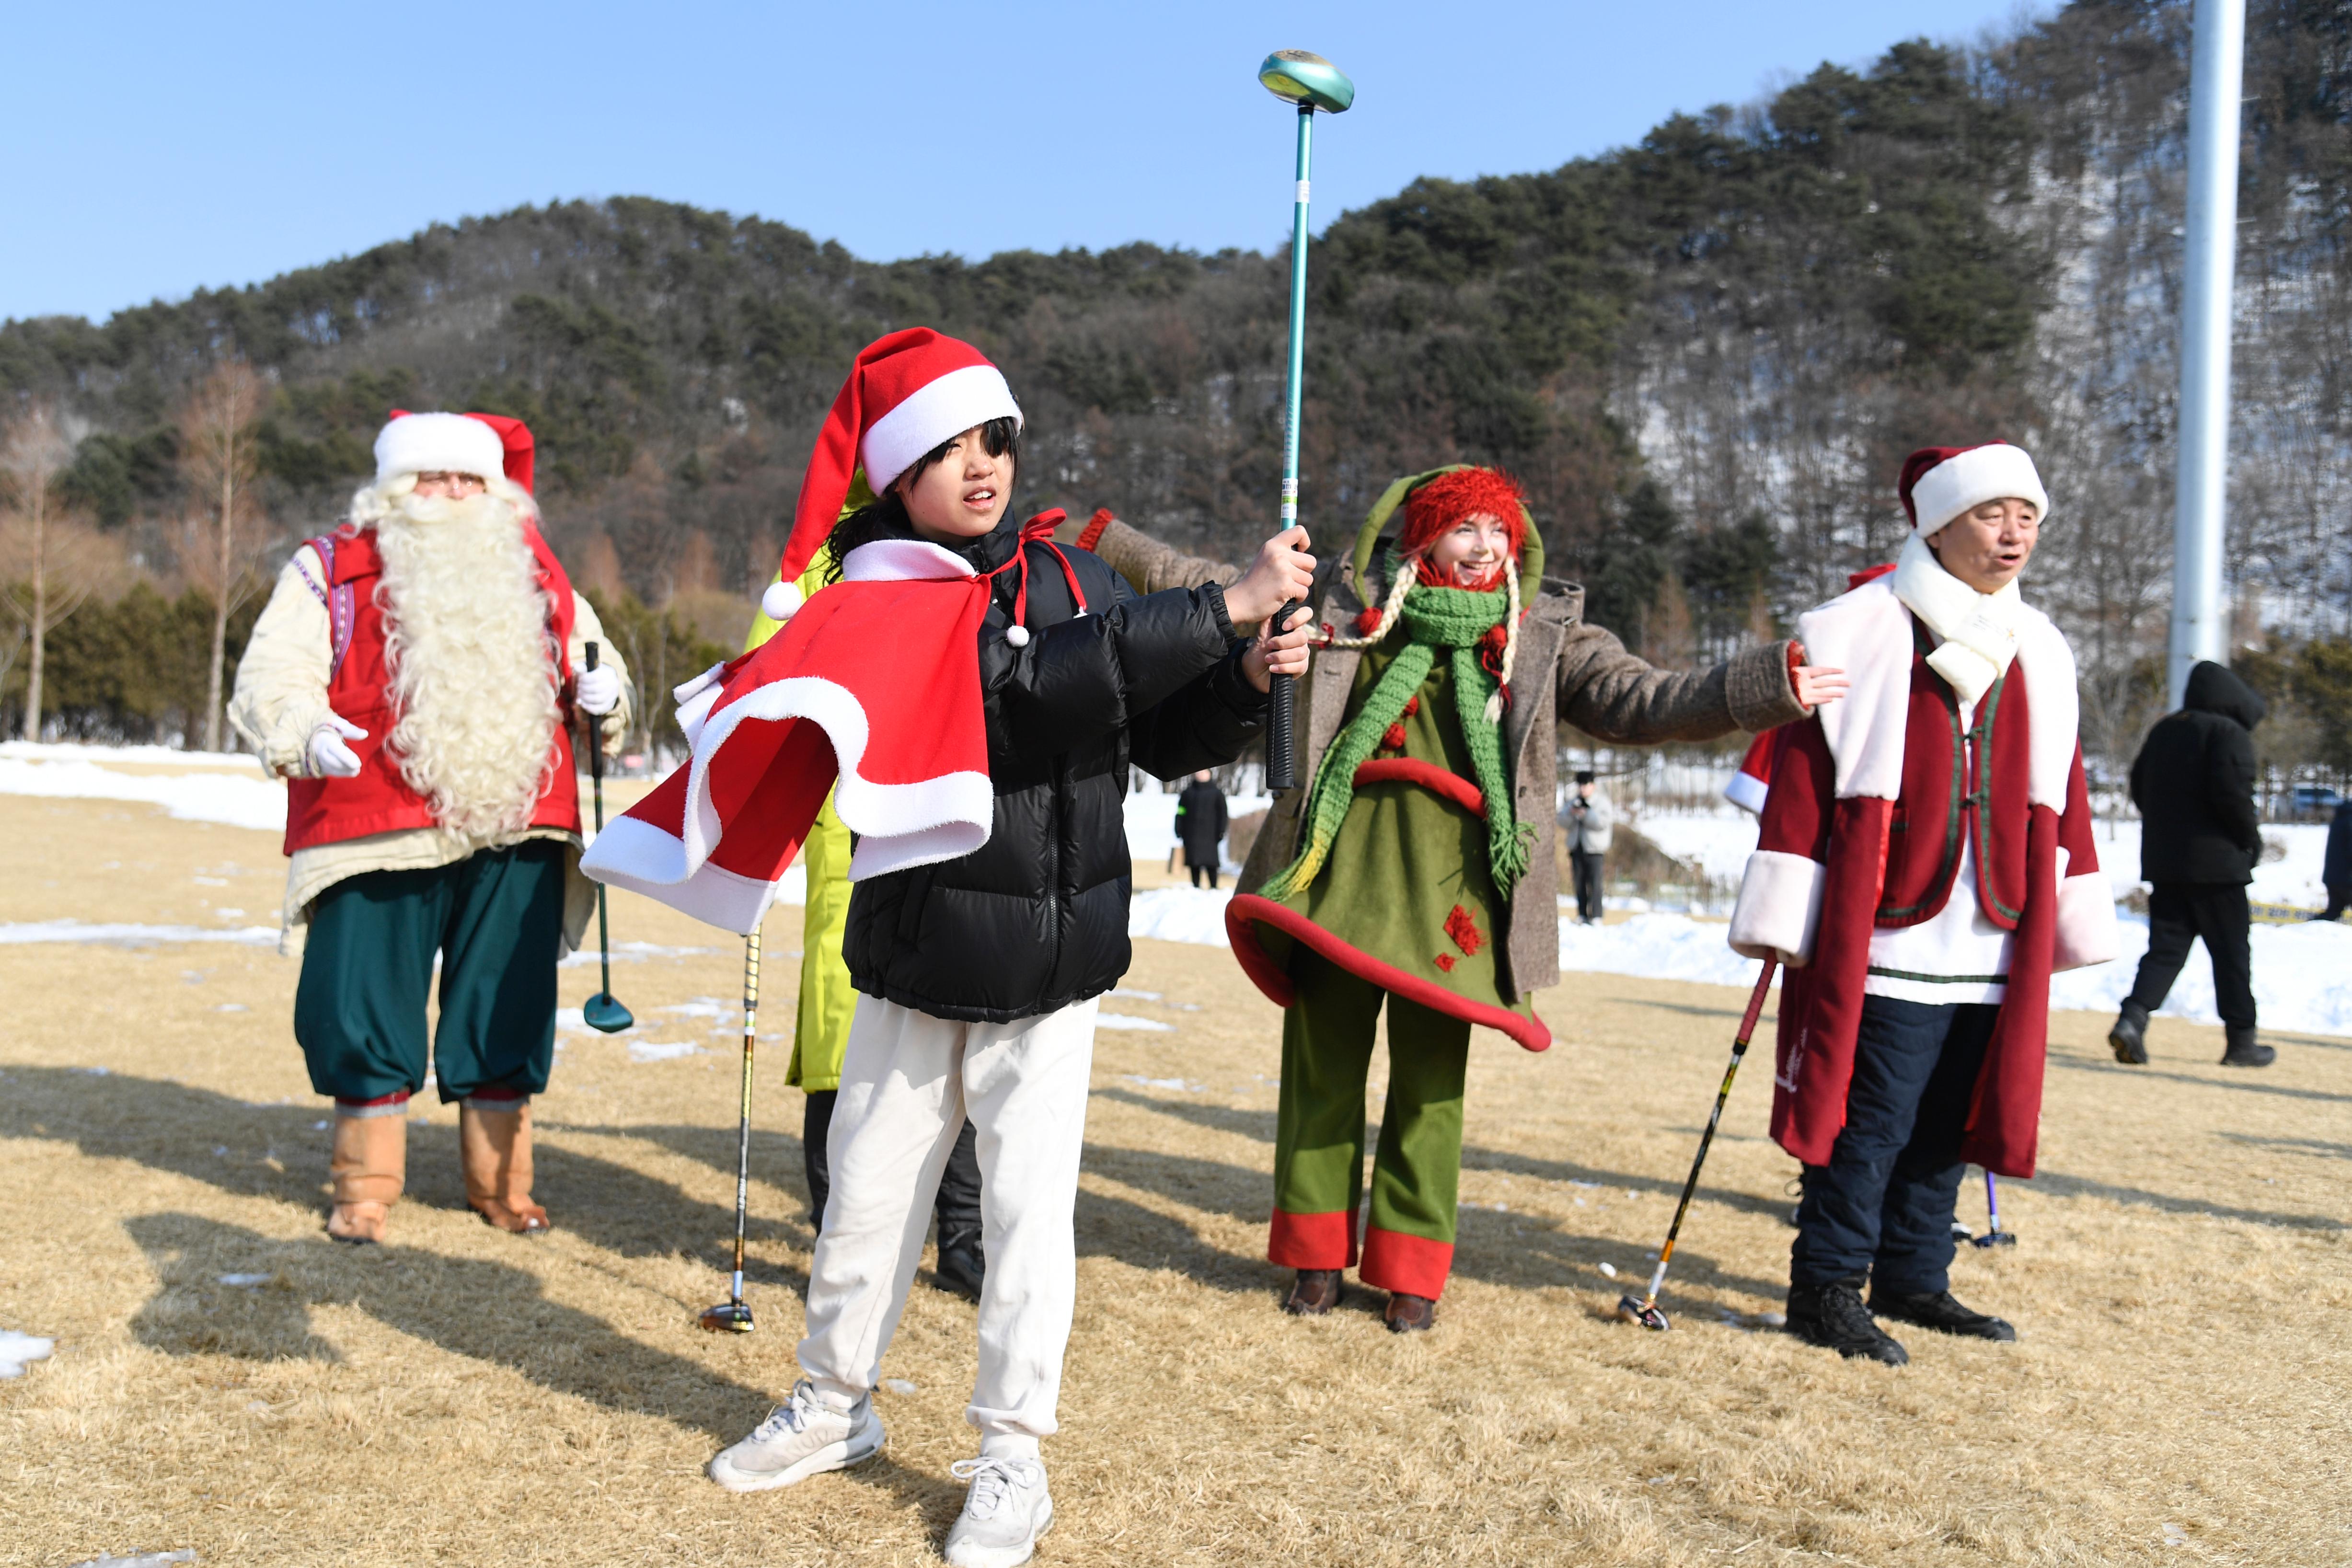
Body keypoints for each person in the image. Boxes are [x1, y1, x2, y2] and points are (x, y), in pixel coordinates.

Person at [590, 330, 1314, 1568]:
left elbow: (1144, 725)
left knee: (1031, 1223)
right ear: (893, 477)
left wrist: (1243, 670)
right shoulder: (877, 592)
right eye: (942, 450)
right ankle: (832, 1406)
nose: (979, 468)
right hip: (918, 959)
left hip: (1051, 972)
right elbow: (1017, 686)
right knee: (867, 1204)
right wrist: (1222, 602)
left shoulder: (1070, 576)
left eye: (994, 440)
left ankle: (1011, 1460)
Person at [1075, 470, 1844, 1331]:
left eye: (1496, 530)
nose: (1482, 548)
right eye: (1460, 529)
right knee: (1319, 1070)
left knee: (1431, 1086)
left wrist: (1765, 686)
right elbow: (1203, 584)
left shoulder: (1541, 634)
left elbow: (1643, 699)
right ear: (1420, 538)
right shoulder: (1348, 604)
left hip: (1458, 904)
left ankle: (1410, 1266)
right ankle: (1314, 1256)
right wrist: (1100, 535)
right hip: (1338, 879)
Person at [1729, 442, 2118, 1365]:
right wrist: (1787, 910)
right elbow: (1801, 776)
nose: (2013, 533)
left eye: (2026, 516)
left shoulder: (2044, 645)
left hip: (1996, 926)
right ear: (1936, 524)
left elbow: (2064, 786)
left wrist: (2070, 899)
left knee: (1948, 1119)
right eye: (1992, 514)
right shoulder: (1852, 628)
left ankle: (1913, 1276)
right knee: (1870, 1122)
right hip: (1889, 925)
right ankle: (1824, 1284)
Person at [229, 411, 631, 1244]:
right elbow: (273, 670)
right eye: (430, 477)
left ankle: (501, 1184)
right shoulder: (329, 568)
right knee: (361, 1005)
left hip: (518, 821)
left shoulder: (541, 574)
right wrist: (301, 728)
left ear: (497, 492)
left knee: (505, 1004)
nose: (450, 494)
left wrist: (607, 698)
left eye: (468, 479)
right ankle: (364, 1183)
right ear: (390, 488)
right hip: (374, 819)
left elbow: (595, 661)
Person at [745, 547, 989, 1296]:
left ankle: (962, 1236)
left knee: (960, 1026)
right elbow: (759, 689)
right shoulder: (816, 565)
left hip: (948, 805)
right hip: (844, 824)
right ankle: (839, 1235)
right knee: (840, 1043)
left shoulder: (967, 551)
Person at [2108, 662, 2272, 1067]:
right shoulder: (2227, 733)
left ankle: (2132, 1019)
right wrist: (2250, 840)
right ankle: (2241, 1042)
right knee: (2231, 954)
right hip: (2218, 868)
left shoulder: (2165, 729)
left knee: (2165, 950)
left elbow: (2139, 784)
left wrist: (2168, 833)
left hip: (2167, 864)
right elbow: (2232, 796)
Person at [1561, 770, 1613, 923]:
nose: (1583, 789)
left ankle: (1597, 915)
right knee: (1579, 882)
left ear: (1593, 786)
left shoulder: (1602, 802)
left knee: (1595, 883)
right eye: (1581, 786)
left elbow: (1603, 823)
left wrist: (1586, 814)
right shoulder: (1573, 802)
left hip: (1595, 849)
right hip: (1577, 847)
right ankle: (1582, 914)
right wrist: (1572, 814)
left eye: (1586, 785)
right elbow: (1561, 821)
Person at [1176, 769, 1229, 889]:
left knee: (1212, 863)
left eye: (1204, 773)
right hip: (1191, 834)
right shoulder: (1187, 793)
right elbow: (1181, 812)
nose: (1200, 775)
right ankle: (1196, 887)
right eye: (1198, 773)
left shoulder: (1217, 794)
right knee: (1194, 863)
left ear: (1210, 774)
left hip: (1211, 835)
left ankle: (1214, 887)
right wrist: (1178, 828)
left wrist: (1222, 830)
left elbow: (1223, 814)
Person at [2322, 798, 2352, 921]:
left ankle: (2306, 931)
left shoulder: (2341, 819)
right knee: (2333, 912)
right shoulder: (2349, 822)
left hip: (2333, 878)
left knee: (2333, 912)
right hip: (2347, 879)